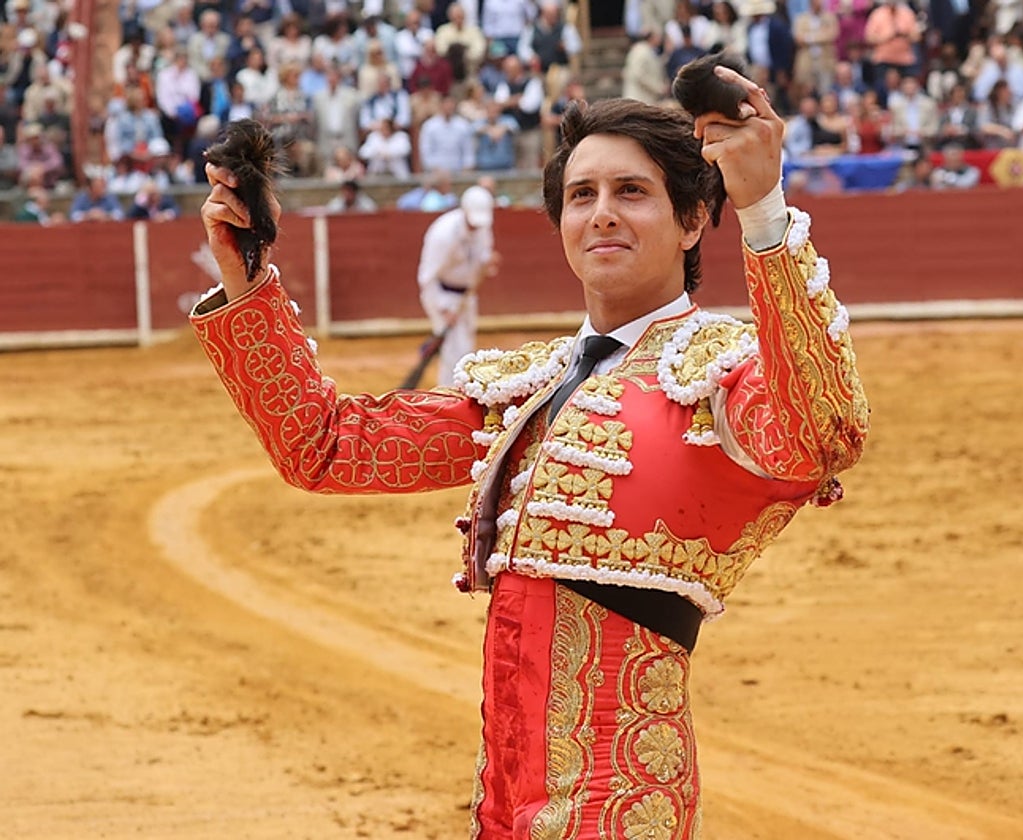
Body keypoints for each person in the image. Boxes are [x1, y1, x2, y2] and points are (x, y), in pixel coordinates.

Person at [191, 65, 868, 835]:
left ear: (691, 221)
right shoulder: (531, 387)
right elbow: (327, 446)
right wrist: (247, 280)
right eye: (583, 196)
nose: (603, 214)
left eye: (632, 192)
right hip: (505, 800)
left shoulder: (718, 371)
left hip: (622, 800)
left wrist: (763, 212)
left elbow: (822, 429)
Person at [412, 185, 498, 386]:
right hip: (442, 294)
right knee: (454, 352)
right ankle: (450, 397)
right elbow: (427, 278)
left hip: (467, 295)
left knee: (465, 347)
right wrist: (443, 308)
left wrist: (488, 261)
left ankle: (456, 395)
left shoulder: (483, 227)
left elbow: (482, 254)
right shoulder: (443, 234)